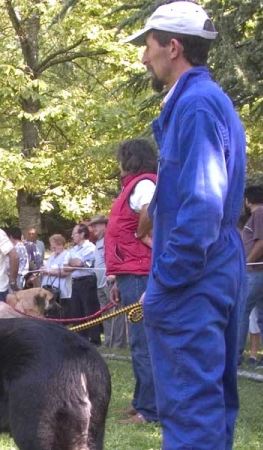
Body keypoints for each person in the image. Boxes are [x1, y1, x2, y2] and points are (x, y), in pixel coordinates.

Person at [123, 1, 247, 450]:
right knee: (211, 401)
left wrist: (163, 282)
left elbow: (199, 206)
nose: (144, 54)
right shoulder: (204, 101)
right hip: (216, 269)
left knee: (192, 403)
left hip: (194, 278)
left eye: (149, 43)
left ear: (174, 47)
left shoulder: (195, 105)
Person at [105, 139, 159, 425]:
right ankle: (141, 401)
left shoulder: (144, 184)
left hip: (140, 271)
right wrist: (117, 278)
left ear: (130, 159)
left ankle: (150, 410)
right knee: (138, 341)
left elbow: (149, 212)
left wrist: (141, 234)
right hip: (130, 272)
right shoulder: (133, 185)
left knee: (143, 343)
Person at [237, 185, 263, 368]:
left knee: (241, 309)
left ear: (247, 200)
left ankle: (235, 356)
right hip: (261, 271)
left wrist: (246, 262)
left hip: (257, 272)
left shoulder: (259, 214)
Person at [89, 215, 127, 349]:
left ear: (105, 225)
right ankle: (108, 341)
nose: (93, 229)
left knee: (116, 313)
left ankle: (118, 344)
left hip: (110, 282)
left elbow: (118, 257)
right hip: (100, 283)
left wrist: (115, 276)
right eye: (92, 226)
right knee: (105, 314)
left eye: (97, 225)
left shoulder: (111, 239)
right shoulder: (97, 242)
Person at [65, 224, 101, 345]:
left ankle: (94, 339)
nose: (72, 236)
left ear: (81, 234)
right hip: (75, 282)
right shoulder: (73, 250)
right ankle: (80, 339)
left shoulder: (90, 247)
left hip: (87, 281)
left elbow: (80, 263)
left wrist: (73, 263)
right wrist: (73, 263)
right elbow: (66, 266)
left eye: (74, 233)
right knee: (76, 311)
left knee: (90, 311)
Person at [40, 234, 71, 318]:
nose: (52, 249)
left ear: (60, 244)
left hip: (60, 293)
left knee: (59, 316)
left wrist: (48, 271)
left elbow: (65, 272)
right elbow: (48, 268)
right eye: (52, 246)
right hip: (49, 291)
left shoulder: (67, 255)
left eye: (54, 246)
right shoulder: (52, 255)